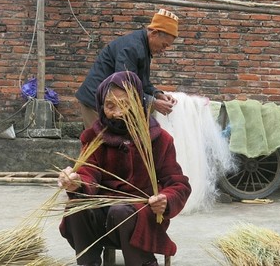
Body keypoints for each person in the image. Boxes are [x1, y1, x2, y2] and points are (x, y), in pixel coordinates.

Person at [59, 71, 191, 266]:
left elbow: (178, 184)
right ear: (101, 106)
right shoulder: (95, 138)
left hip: (143, 216)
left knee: (121, 211)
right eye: (110, 106)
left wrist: (165, 200)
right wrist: (77, 182)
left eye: (125, 105)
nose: (118, 113)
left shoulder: (160, 140)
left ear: (139, 104)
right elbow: (89, 173)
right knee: (75, 207)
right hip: (102, 221)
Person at [76, 9, 180, 129]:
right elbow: (124, 86)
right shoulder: (132, 48)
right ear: (154, 33)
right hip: (96, 101)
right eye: (164, 45)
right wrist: (153, 103)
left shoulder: (144, 47)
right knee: (100, 145)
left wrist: (158, 94)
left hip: (111, 101)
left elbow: (141, 82)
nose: (163, 51)